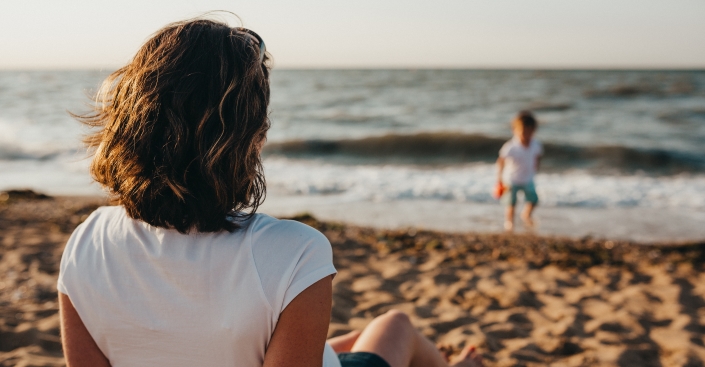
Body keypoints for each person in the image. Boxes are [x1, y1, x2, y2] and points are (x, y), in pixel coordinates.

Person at [58, 16, 483, 367]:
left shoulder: (85, 244)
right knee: (397, 326)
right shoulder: (295, 253)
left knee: (343, 342)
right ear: (251, 139)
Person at [496, 111, 543, 231]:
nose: (526, 135)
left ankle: (526, 214)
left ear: (534, 131)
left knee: (534, 200)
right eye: (523, 132)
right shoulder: (511, 146)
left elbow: (537, 156)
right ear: (514, 130)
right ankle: (509, 223)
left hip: (528, 178)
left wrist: (536, 167)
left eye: (529, 132)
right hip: (512, 179)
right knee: (511, 203)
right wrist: (499, 179)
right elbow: (501, 161)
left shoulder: (536, 144)